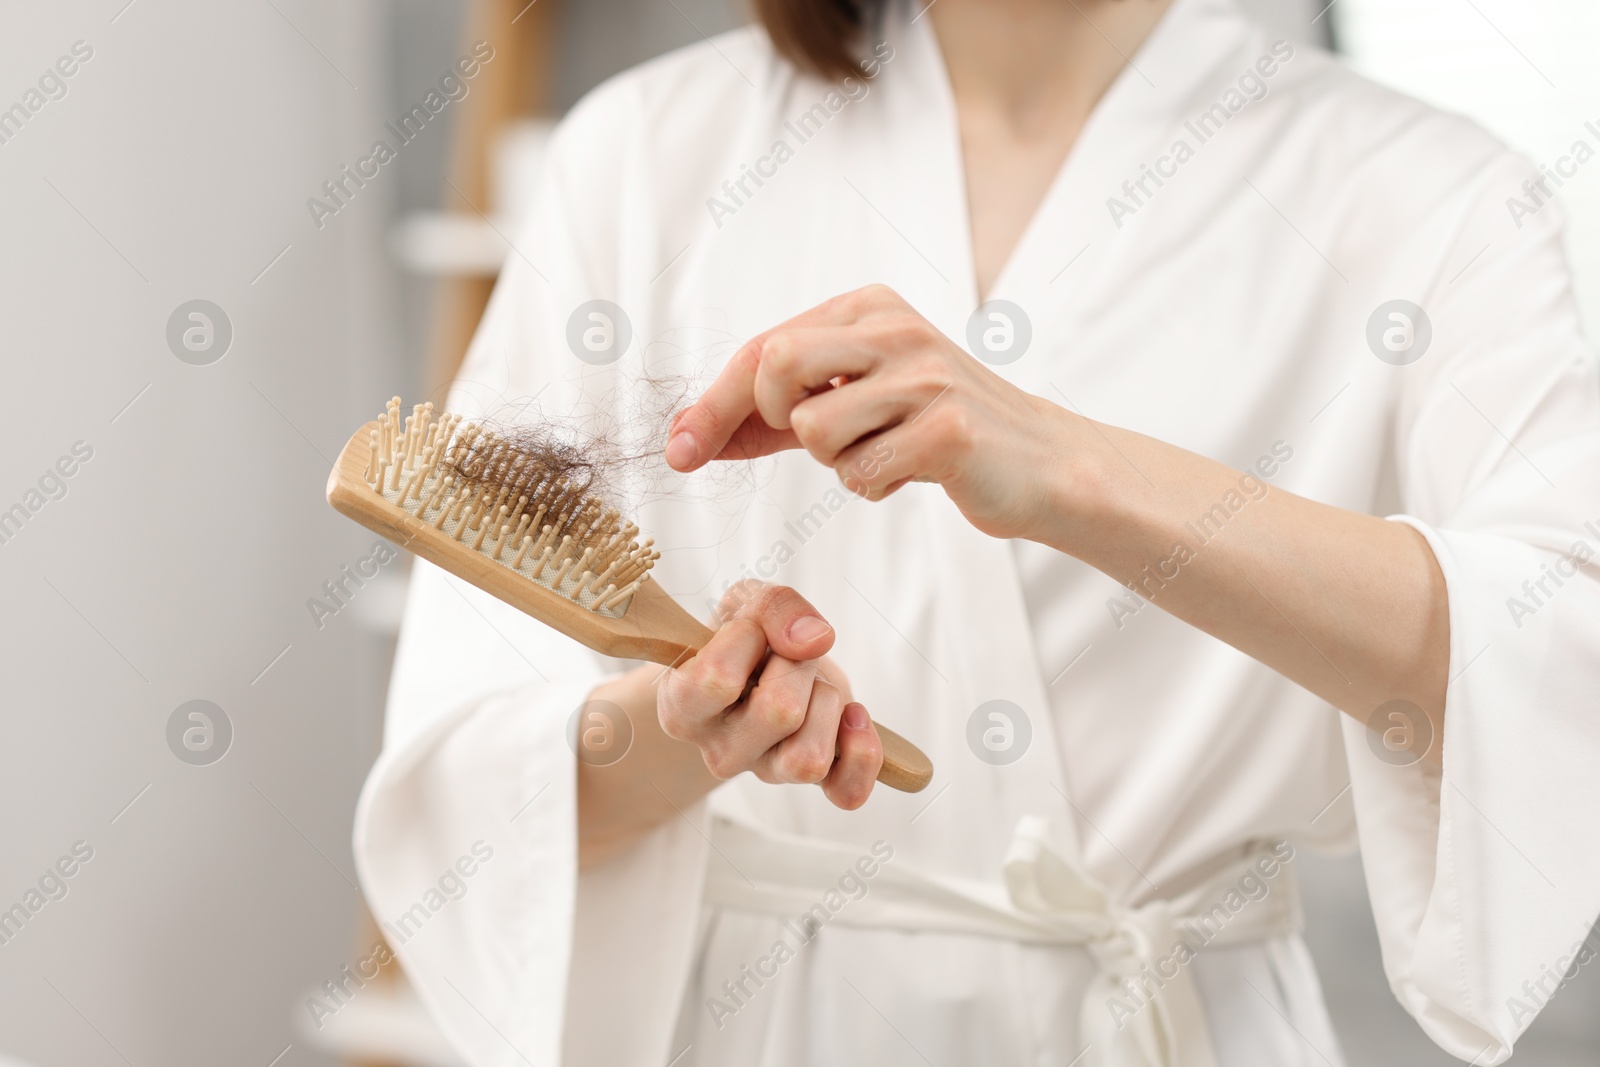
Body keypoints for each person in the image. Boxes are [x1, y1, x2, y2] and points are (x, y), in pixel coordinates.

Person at [353, 0, 1600, 1063]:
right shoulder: (644, 153)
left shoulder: (1437, 191)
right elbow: (465, 776)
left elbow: (1557, 654)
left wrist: (1071, 466)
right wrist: (696, 726)